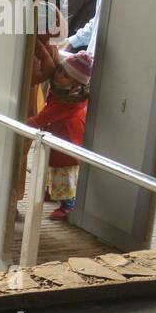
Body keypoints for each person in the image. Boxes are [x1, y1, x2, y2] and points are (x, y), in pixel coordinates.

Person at [30, 52, 92, 221]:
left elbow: (44, 116)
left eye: (66, 76)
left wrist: (25, 123)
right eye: (60, 71)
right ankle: (54, 192)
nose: (59, 75)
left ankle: (68, 205)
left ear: (76, 83)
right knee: (54, 169)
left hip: (67, 138)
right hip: (60, 134)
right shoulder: (65, 91)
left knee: (63, 173)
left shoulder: (67, 100)